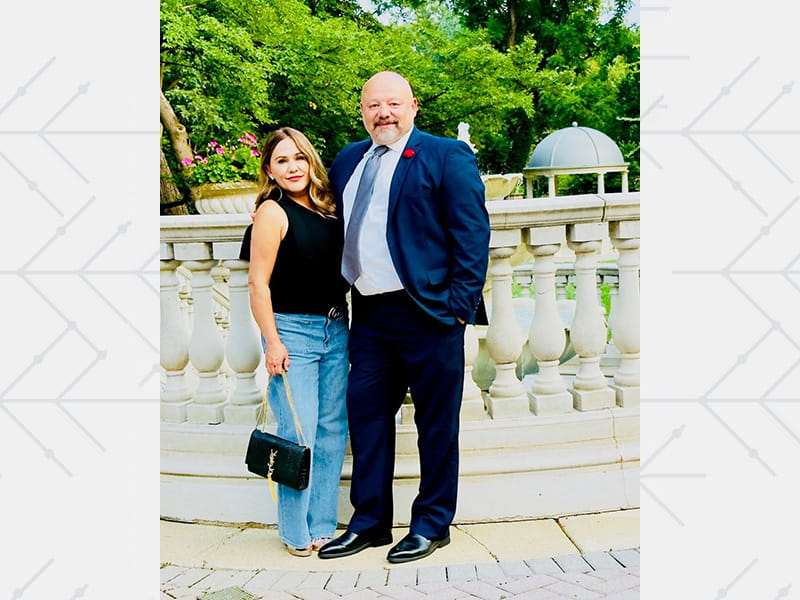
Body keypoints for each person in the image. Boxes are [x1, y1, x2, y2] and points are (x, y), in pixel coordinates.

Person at [317, 71, 490, 564]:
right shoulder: (349, 158)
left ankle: (432, 524)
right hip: (369, 314)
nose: (383, 113)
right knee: (366, 415)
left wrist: (457, 309)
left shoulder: (444, 155)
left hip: (429, 313)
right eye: (374, 105)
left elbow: (473, 235)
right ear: (363, 112)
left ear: (413, 106)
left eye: (392, 103)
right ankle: (369, 523)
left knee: (437, 424)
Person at [246, 127, 350, 557]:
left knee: (331, 433)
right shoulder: (273, 212)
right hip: (293, 334)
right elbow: (257, 283)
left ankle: (323, 524)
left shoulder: (329, 208)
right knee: (299, 435)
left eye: (299, 158)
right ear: (269, 169)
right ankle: (294, 530)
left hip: (336, 330)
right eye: (282, 161)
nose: (293, 168)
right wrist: (272, 342)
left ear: (311, 161)